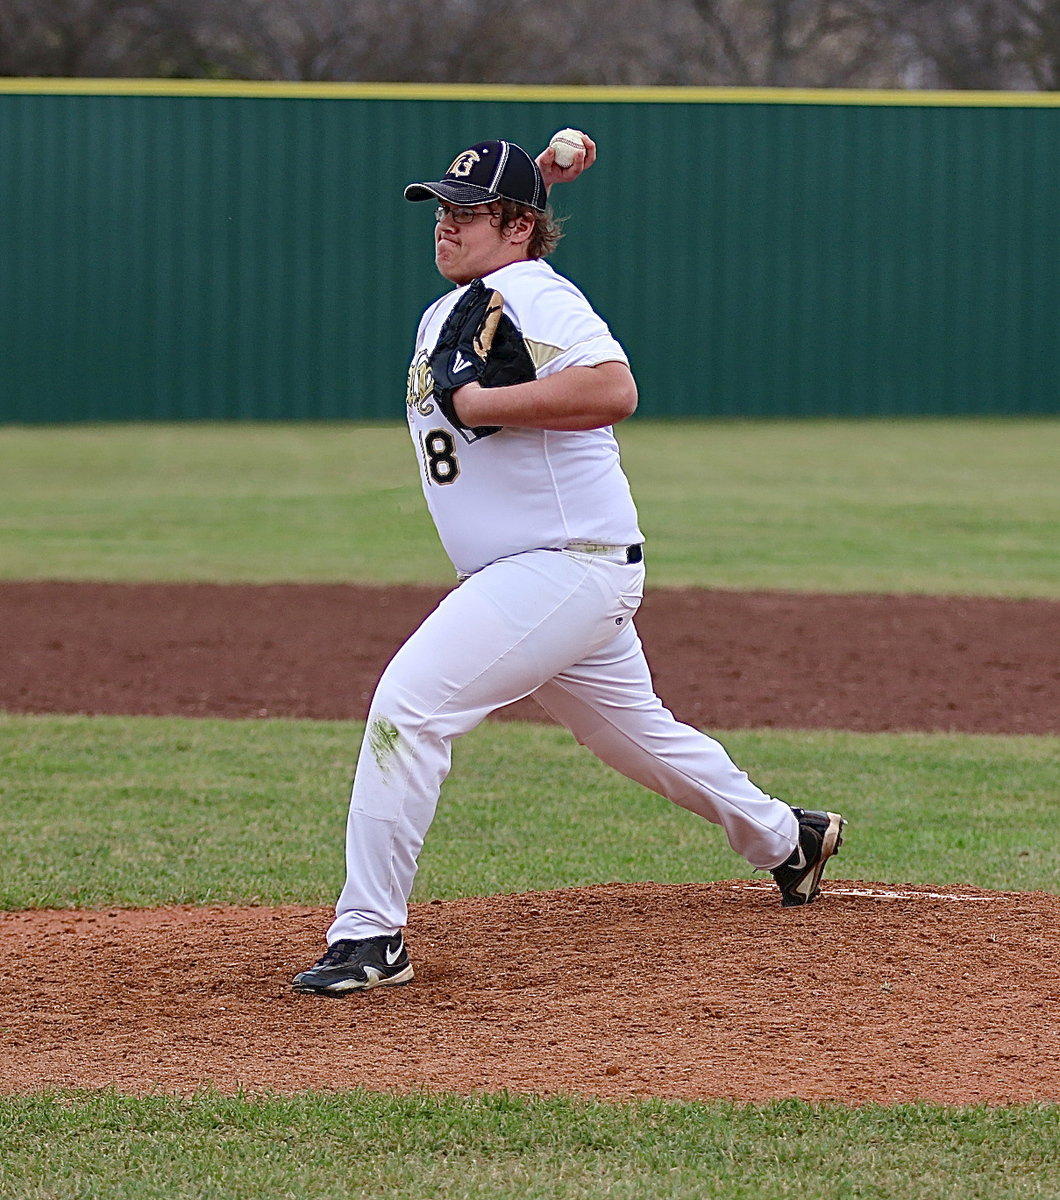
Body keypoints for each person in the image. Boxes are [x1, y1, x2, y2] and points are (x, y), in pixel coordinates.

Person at [292, 134, 846, 995]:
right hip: (543, 572)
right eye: (441, 208)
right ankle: (790, 839)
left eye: (466, 212)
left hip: (561, 564)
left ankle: (371, 936)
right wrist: (532, 188)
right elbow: (507, 278)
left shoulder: (529, 290)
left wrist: (482, 398)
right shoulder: (473, 298)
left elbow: (613, 388)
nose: (444, 224)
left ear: (514, 227)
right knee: (638, 740)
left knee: (409, 707)